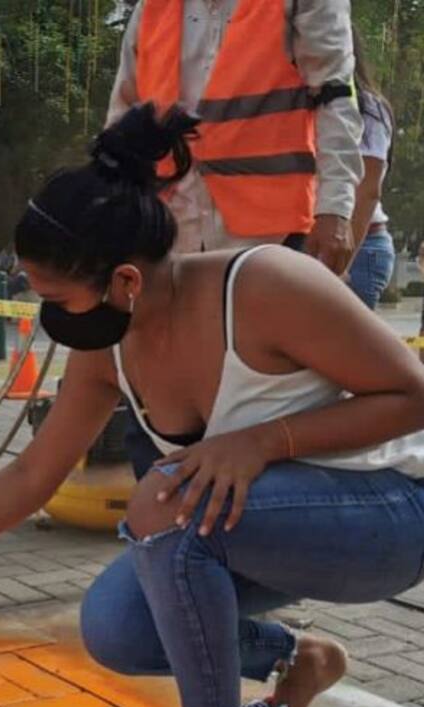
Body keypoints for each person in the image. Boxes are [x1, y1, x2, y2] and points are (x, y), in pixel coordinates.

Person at [0, 105, 424, 707]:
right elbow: (33, 475)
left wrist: (261, 441)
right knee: (117, 625)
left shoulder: (264, 286)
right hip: (264, 534)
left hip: (388, 519)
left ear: (125, 280)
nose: (49, 317)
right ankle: (299, 660)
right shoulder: (106, 348)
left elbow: (413, 395)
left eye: (56, 298)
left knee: (163, 498)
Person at [108, 0, 365, 480]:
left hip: (267, 237)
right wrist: (108, 214)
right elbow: (123, 113)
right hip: (168, 237)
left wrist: (335, 210)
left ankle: (261, 534)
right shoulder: (154, 9)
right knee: (161, 414)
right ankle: (164, 534)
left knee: (269, 406)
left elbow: (335, 94)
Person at [345, 29, 395, 310]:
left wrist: (340, 265)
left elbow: (367, 191)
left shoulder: (366, 107)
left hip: (359, 247)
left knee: (339, 351)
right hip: (327, 243)